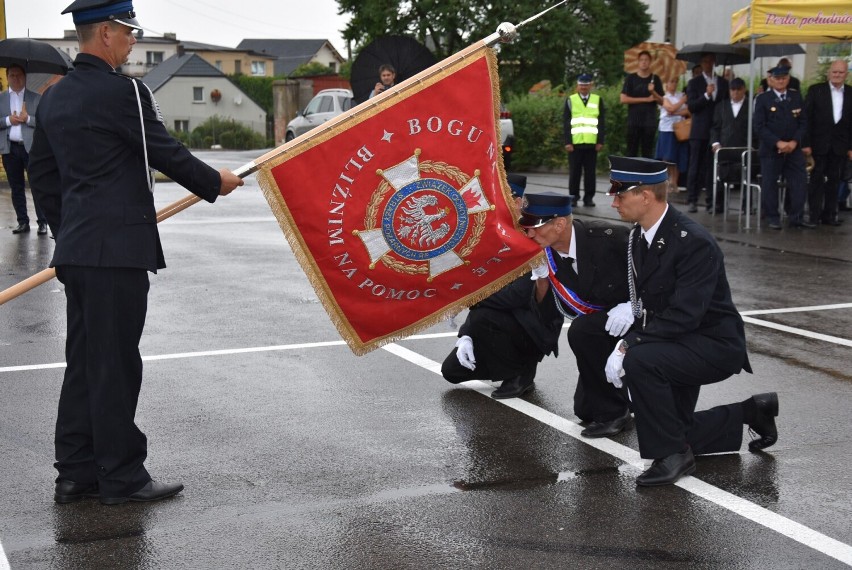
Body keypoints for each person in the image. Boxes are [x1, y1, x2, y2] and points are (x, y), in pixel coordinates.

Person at [29, 0, 244, 506]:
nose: (131, 40)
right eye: (127, 31)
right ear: (105, 32)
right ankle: (122, 476)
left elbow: (42, 176)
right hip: (117, 252)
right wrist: (217, 181)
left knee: (84, 361)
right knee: (117, 364)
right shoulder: (124, 91)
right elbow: (163, 150)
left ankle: (77, 472)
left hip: (78, 250)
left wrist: (69, 232)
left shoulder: (53, 99)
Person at [604, 155, 777, 486]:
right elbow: (653, 306)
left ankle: (673, 457)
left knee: (640, 361)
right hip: (682, 340)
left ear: (645, 195)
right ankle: (751, 413)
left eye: (620, 194)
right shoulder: (639, 236)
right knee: (675, 429)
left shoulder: (693, 241)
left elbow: (685, 314)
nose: (613, 202)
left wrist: (629, 343)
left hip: (713, 343)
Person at [443, 190, 632, 437]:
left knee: (583, 331)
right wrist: (543, 279)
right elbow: (544, 309)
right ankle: (629, 389)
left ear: (560, 224)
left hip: (636, 317)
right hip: (600, 322)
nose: (529, 233)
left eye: (535, 227)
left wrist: (634, 305)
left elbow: (654, 275)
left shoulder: (611, 237)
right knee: (585, 411)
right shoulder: (545, 251)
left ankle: (621, 405)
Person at [753, 65, 815, 230]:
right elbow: (759, 127)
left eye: (784, 78)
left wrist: (794, 142)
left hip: (794, 148)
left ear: (788, 79)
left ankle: (796, 216)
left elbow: (803, 123)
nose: (781, 81)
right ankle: (773, 217)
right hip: (772, 149)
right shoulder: (763, 99)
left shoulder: (795, 96)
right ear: (771, 80)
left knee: (799, 182)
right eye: (777, 78)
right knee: (770, 183)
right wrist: (778, 143)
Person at [802, 59, 852, 226]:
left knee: (834, 180)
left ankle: (829, 216)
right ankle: (813, 216)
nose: (837, 75)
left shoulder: (851, 93)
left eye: (841, 72)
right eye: (834, 72)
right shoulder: (816, 90)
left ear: (846, 74)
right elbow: (806, 119)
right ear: (829, 73)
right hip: (818, 144)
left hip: (840, 146)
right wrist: (805, 143)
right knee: (816, 180)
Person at [1, 64, 47, 235]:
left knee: (37, 186)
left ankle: (42, 222)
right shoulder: (2, 98)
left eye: (19, 75)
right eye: (12, 75)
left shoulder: (35, 98)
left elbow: (43, 121)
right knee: (16, 187)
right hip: (10, 149)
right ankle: (22, 222)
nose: (16, 78)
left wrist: (27, 118)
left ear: (25, 77)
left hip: (30, 148)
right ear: (7, 77)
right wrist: (8, 121)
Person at [685, 53, 729, 213]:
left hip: (717, 130)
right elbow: (691, 106)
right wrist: (706, 95)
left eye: (710, 61)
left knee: (713, 168)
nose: (708, 64)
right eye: (705, 62)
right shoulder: (694, 83)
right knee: (695, 166)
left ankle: (712, 201)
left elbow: (726, 105)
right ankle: (692, 199)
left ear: (714, 63)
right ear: (701, 64)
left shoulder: (723, 82)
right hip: (699, 130)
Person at [710, 77, 752, 211]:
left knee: (747, 174)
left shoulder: (751, 106)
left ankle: (747, 205)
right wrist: (715, 143)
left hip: (744, 148)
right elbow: (715, 127)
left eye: (738, 90)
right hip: (725, 148)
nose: (735, 93)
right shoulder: (721, 106)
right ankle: (718, 204)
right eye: (732, 90)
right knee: (721, 174)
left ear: (743, 90)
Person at [564, 73, 605, 207]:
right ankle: (573, 197)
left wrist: (600, 141)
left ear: (590, 85)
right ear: (577, 85)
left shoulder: (597, 100)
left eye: (586, 85)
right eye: (581, 85)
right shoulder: (570, 100)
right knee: (574, 172)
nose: (584, 87)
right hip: (575, 144)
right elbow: (566, 122)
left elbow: (601, 122)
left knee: (590, 173)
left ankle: (589, 198)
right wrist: (567, 142)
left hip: (592, 144)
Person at [620, 50, 663, 158]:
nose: (644, 62)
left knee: (647, 151)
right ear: (638, 62)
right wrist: (645, 99)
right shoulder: (631, 78)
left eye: (646, 60)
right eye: (642, 60)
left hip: (649, 121)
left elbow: (662, 101)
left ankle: (646, 174)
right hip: (634, 120)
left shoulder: (655, 79)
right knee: (631, 151)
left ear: (650, 62)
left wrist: (653, 92)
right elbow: (623, 99)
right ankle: (631, 173)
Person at [656, 77, 689, 193]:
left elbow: (687, 111)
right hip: (667, 129)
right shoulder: (665, 97)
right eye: (671, 81)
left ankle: (675, 181)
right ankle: (668, 180)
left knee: (678, 156)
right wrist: (682, 101)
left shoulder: (680, 95)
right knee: (668, 156)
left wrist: (676, 112)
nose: (674, 84)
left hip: (679, 129)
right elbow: (669, 107)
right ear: (666, 85)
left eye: (675, 81)